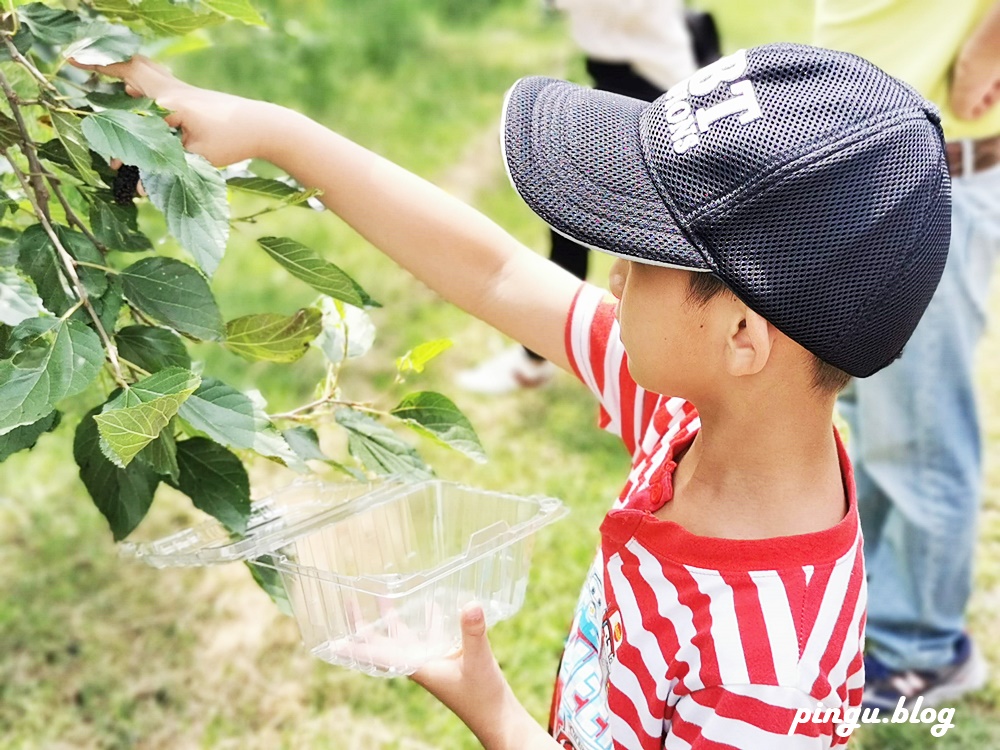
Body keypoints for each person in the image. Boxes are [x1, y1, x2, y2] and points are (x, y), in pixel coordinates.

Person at [76, 42, 952, 748]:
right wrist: (275, 130)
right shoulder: (701, 419)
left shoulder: (767, 667)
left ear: (741, 338)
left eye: (641, 253)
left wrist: (493, 711)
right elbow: (495, 272)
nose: (611, 274)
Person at [815, 0, 1000, 711]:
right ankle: (882, 615)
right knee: (878, 421)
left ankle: (924, 648)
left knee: (917, 436)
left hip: (931, 176)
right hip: (872, 168)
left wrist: (988, 46)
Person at [455, 0, 706, 394]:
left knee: (604, 229)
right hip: (635, 77)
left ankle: (539, 359)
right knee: (582, 226)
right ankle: (541, 357)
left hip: (650, 84)